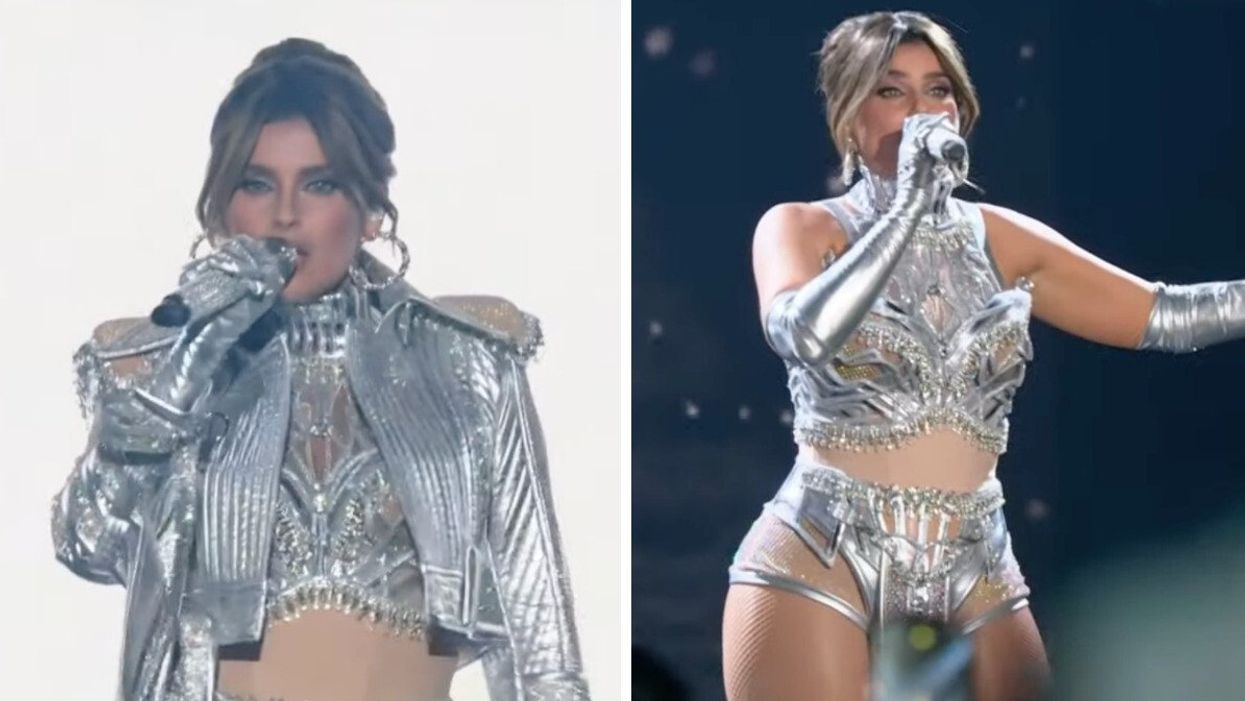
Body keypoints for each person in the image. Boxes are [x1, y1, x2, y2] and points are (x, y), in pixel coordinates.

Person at [721, 10, 1245, 701]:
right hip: (825, 552)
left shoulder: (1002, 240)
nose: (921, 110)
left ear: (961, 111)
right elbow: (800, 332)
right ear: (849, 117)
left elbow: (1162, 315)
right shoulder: (801, 226)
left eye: (937, 89)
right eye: (891, 90)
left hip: (973, 560)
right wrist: (906, 210)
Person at [50, 38, 589, 701]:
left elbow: (540, 638)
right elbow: (87, 542)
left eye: (319, 183)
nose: (285, 214)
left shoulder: (468, 362)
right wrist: (180, 376)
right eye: (256, 183)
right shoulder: (149, 363)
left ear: (370, 210)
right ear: (219, 208)